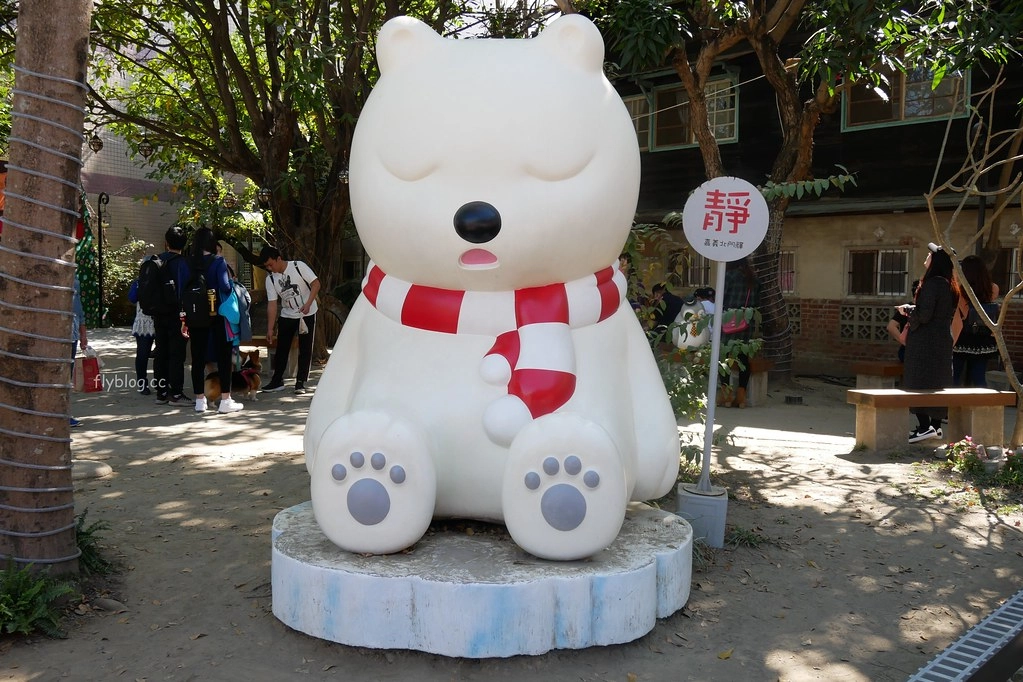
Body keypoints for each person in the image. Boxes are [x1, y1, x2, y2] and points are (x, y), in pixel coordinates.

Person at [900, 244, 959, 443]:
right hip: (941, 340)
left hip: (925, 342)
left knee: (918, 381)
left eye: (930, 254)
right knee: (937, 382)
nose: (926, 256)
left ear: (936, 261)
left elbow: (924, 316)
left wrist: (907, 310)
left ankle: (925, 427)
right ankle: (935, 427)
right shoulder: (948, 284)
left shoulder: (932, 283)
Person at [187, 226, 243, 414]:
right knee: (223, 356)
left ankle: (199, 401)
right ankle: (225, 400)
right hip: (217, 314)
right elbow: (226, 287)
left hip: (195, 315)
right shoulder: (218, 262)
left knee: (198, 357)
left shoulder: (189, 262)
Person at [259, 246, 320, 395]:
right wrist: (270, 328)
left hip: (307, 312)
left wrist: (308, 303)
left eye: (270, 264)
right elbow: (272, 304)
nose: (269, 268)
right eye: (266, 266)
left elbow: (316, 284)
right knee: (282, 348)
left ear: (278, 258)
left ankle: (300, 382)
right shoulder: (271, 279)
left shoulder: (298, 266)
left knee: (305, 348)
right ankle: (277, 380)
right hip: (287, 314)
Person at [152, 225, 191, 406]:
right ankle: (176, 393)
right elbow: (186, 291)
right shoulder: (184, 263)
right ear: (184, 243)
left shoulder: (155, 260)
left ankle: (161, 392)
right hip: (177, 314)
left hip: (158, 313)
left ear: (166, 242)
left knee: (161, 352)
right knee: (177, 354)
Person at [952, 255, 1000, 387]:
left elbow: (965, 313)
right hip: (983, 335)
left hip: (964, 335)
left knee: (955, 375)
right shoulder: (993, 288)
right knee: (979, 376)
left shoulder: (960, 291)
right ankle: (981, 406)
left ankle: (951, 405)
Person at [720, 258, 760, 409]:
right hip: (746, 324)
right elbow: (757, 303)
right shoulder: (754, 279)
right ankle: (741, 398)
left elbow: (721, 299)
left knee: (724, 358)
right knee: (743, 358)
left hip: (728, 321)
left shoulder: (729, 276)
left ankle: (726, 397)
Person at [127, 278, 156, 395]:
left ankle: (143, 383)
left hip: (147, 320)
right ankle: (147, 383)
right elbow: (132, 297)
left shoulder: (139, 282)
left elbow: (132, 298)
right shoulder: (140, 282)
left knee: (143, 354)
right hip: (148, 321)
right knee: (144, 354)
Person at [69, 272, 87, 428]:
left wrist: (83, 334)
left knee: (67, 373)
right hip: (66, 333)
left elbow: (79, 310)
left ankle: (64, 413)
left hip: (71, 332)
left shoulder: (74, 282)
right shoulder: (73, 282)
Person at [887, 280, 920, 363]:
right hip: (908, 350)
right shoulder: (908, 308)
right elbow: (891, 326)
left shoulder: (926, 309)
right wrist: (904, 342)